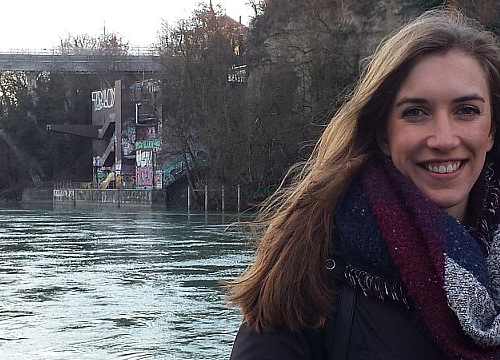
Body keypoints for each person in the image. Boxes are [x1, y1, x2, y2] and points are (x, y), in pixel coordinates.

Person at [227, 7, 500, 360]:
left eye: (467, 110)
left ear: (491, 130)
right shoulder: (309, 262)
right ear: (383, 134)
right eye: (415, 112)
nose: (444, 139)